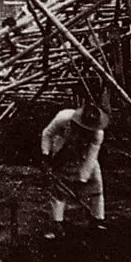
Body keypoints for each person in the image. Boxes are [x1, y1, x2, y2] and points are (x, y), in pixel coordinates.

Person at [40, 100, 109, 239]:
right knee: (59, 190)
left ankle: (97, 219)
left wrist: (82, 179)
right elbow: (47, 134)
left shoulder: (97, 134)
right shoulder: (63, 118)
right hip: (63, 151)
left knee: (96, 185)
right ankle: (56, 224)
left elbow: (91, 157)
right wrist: (46, 155)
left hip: (83, 156)